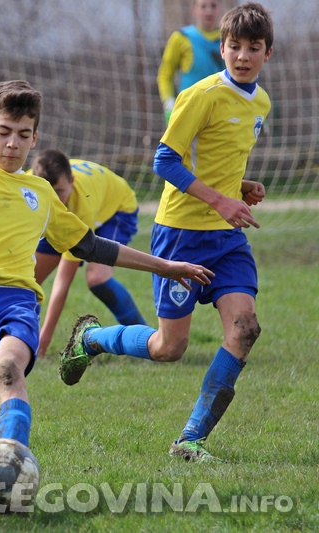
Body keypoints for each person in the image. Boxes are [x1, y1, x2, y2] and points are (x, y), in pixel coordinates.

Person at [0, 80, 213, 490]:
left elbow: (89, 245)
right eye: (3, 132)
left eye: (23, 135)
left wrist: (164, 266)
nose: (12, 144)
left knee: (8, 370)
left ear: (34, 138)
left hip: (17, 302)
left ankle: (10, 472)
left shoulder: (39, 190)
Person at [60, 2, 273, 464]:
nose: (242, 55)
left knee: (246, 329)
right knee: (168, 347)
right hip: (181, 234)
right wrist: (220, 198)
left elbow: (217, 163)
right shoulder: (200, 95)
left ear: (267, 54)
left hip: (227, 238)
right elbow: (165, 161)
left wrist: (240, 186)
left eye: (253, 48)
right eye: (234, 46)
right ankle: (92, 339)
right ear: (222, 48)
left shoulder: (261, 103)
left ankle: (190, 440)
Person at [32, 149, 147, 357]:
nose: (53, 199)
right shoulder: (29, 184)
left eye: (59, 191)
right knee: (27, 282)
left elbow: (62, 282)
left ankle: (148, 341)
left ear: (72, 182)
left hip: (115, 210)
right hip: (62, 218)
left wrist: (44, 339)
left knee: (97, 278)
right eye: (47, 192)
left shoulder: (81, 204)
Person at [157, 0, 226, 125]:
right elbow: (165, 75)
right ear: (194, 10)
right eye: (203, 6)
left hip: (220, 112)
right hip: (188, 111)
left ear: (220, 9)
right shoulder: (181, 37)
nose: (208, 11)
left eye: (213, 5)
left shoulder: (229, 40)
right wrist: (169, 104)